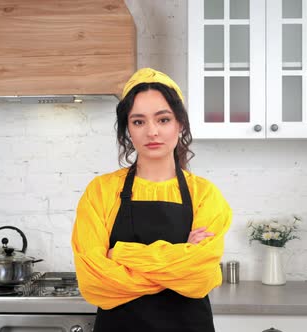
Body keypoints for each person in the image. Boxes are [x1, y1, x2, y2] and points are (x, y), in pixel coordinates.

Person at [71, 68, 232, 332]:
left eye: (163, 119)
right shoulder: (100, 191)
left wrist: (122, 254)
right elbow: (95, 281)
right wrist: (180, 260)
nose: (152, 132)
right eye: (138, 122)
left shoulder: (204, 194)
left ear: (180, 124)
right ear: (128, 130)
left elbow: (201, 277)